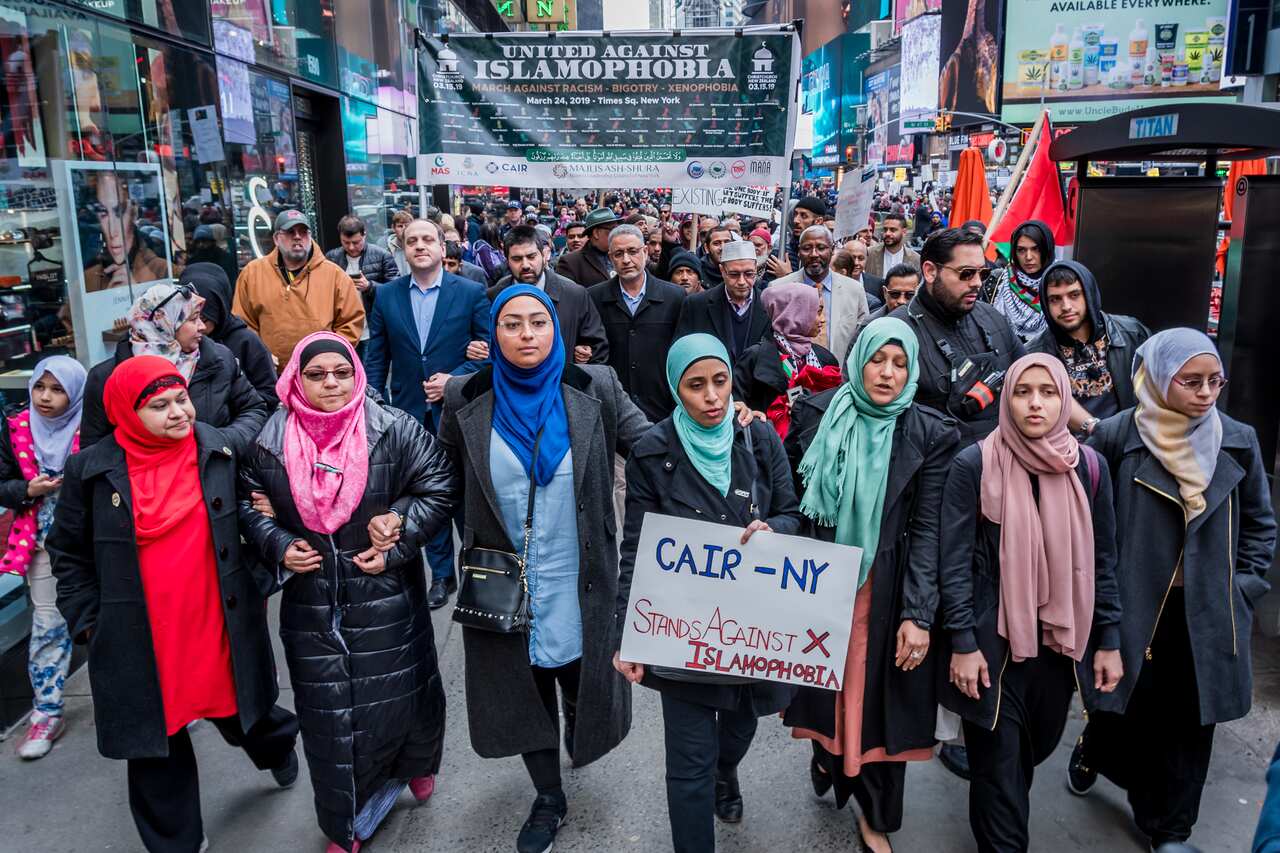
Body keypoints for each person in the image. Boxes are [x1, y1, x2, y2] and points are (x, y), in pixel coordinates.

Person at [49, 356, 300, 853]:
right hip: (139, 636)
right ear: (125, 411)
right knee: (154, 742)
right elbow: (68, 550)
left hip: (215, 619)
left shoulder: (219, 449)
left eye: (181, 399)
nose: (178, 413)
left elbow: (256, 513)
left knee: (245, 711)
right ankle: (176, 843)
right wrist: (88, 624)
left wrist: (258, 573)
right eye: (159, 406)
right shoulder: (90, 470)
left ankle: (275, 745)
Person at [437, 285, 650, 853]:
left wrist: (728, 428)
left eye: (538, 322)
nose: (527, 334)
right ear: (494, 335)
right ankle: (548, 795)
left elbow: (653, 447)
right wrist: (398, 525)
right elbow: (440, 482)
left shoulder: (594, 386)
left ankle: (582, 721)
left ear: (556, 328)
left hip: (581, 571)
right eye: (512, 324)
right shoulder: (464, 396)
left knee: (580, 670)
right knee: (523, 686)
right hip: (506, 579)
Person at [238, 333, 455, 853]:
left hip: (386, 593)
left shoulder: (394, 429)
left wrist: (398, 524)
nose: (331, 383)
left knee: (401, 696)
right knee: (327, 716)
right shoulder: (268, 441)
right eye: (316, 375)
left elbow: (439, 485)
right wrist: (278, 543)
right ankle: (345, 823)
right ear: (297, 379)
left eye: (341, 372)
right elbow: (246, 507)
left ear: (357, 373)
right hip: (311, 602)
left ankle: (414, 766)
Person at [1069, 330, 1276, 850]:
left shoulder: (1237, 439)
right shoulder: (1120, 435)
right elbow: (1087, 521)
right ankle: (1097, 745)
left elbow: (1259, 523)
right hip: (1136, 604)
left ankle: (1171, 828)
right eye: (1191, 382)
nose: (1206, 393)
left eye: (1215, 381)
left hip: (1209, 609)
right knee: (1130, 707)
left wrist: (1243, 587)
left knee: (1191, 719)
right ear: (1160, 379)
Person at [614, 333, 803, 853]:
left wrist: (774, 532)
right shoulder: (652, 451)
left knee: (740, 728)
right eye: (695, 385)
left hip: (751, 627)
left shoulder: (758, 438)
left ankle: (727, 771)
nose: (712, 396)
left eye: (720, 381)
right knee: (687, 763)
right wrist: (626, 633)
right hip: (684, 631)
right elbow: (637, 546)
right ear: (676, 388)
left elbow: (792, 511)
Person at [783, 318, 959, 853]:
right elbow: (789, 498)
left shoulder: (929, 432)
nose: (886, 373)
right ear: (857, 360)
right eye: (877, 360)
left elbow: (929, 528)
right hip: (820, 577)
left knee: (880, 699)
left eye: (900, 362)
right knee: (827, 690)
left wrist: (918, 614)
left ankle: (876, 814)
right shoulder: (816, 412)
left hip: (885, 584)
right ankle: (828, 756)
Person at [938, 353, 1124, 853]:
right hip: (992, 646)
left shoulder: (1088, 467)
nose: (1035, 403)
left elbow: (1103, 560)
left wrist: (1108, 639)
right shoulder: (974, 463)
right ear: (1007, 396)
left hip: (1059, 647)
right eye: (1023, 391)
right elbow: (952, 561)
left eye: (1047, 392)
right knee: (998, 768)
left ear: (1065, 397)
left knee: (1030, 753)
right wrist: (961, 641)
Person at [363, 218, 489, 609]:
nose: (420, 246)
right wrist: (372, 403)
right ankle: (442, 575)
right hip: (409, 413)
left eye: (427, 239)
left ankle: (476, 571)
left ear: (442, 246)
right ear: (402, 248)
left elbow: (490, 350)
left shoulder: (470, 292)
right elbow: (377, 356)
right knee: (422, 493)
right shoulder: (386, 296)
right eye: (412, 240)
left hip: (459, 412)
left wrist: (454, 379)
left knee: (467, 496)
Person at [3, 356, 86, 759]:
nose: (46, 398)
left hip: (94, 542)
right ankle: (47, 711)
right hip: (40, 543)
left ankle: (154, 700)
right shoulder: (15, 426)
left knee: (123, 619)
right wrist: (26, 490)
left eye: (57, 389)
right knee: (48, 624)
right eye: (40, 387)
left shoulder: (94, 424)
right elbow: (2, 482)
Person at [80, 282, 269, 453]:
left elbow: (253, 410)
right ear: (164, 323)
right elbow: (93, 449)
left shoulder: (218, 360)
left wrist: (219, 443)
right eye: (193, 319)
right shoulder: (106, 377)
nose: (202, 326)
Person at [892, 228, 1024, 447]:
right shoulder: (896, 332)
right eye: (966, 273)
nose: (977, 283)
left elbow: (1027, 378)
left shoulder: (991, 316)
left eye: (983, 273)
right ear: (930, 271)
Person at [232, 209, 365, 369]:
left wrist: (327, 359)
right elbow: (242, 323)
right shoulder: (252, 274)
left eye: (303, 232)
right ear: (276, 238)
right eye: (290, 232)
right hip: (269, 375)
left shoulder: (335, 276)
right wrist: (261, 355)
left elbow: (351, 323)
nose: (297, 237)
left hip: (318, 376)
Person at [1027, 260, 1151, 431]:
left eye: (1074, 295)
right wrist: (1096, 430)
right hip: (1072, 451)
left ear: (1089, 294)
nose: (1066, 306)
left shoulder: (1131, 333)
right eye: (1055, 299)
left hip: (1130, 441)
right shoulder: (1036, 354)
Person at [588, 223, 686, 423]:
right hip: (615, 408)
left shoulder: (674, 296)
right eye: (618, 254)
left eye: (632, 252)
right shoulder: (594, 297)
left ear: (645, 251)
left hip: (662, 407)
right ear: (610, 258)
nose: (626, 260)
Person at [482, 224, 609, 365]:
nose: (525, 265)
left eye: (531, 256)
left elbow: (597, 347)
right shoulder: (494, 296)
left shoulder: (575, 294)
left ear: (544, 255)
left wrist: (584, 354)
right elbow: (486, 346)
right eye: (517, 259)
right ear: (507, 261)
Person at [732, 281, 838, 415]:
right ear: (795, 315)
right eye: (817, 312)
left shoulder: (824, 358)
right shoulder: (755, 357)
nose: (822, 319)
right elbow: (737, 406)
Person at [182, 262, 278, 405]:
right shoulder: (177, 341)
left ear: (220, 309)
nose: (199, 326)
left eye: (204, 318)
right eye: (191, 318)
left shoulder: (246, 341)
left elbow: (269, 394)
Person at [773, 225, 870, 364]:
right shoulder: (779, 289)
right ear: (799, 252)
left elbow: (861, 341)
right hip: (793, 378)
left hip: (838, 378)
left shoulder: (854, 290)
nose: (814, 254)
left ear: (831, 251)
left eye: (821, 248)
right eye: (807, 248)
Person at [674, 239, 771, 365]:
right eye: (734, 274)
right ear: (722, 271)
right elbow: (682, 353)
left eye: (749, 274)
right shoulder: (696, 305)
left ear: (755, 269)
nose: (742, 281)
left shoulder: (769, 305)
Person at [82, 170, 170, 293]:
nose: (113, 232)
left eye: (119, 212)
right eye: (103, 212)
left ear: (134, 213)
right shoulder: (87, 280)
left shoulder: (164, 270)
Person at [980, 220, 1055, 343]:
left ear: (1047, 249)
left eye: (1036, 249)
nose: (1029, 257)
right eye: (1021, 250)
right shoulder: (997, 281)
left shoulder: (1059, 281)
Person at [324, 214, 400, 333]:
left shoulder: (382, 256)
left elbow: (396, 291)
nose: (351, 247)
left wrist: (369, 287)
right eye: (346, 242)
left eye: (356, 242)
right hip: (342, 328)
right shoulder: (331, 257)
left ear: (364, 235)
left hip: (372, 326)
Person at [853, 264, 922, 344]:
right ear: (885, 293)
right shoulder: (868, 326)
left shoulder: (927, 324)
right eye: (895, 294)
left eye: (909, 295)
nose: (901, 301)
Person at [557, 208, 619, 287]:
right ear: (596, 233)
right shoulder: (570, 262)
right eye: (612, 230)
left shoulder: (621, 254)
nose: (616, 234)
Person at [833, 239, 885, 311]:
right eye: (852, 258)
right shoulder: (833, 281)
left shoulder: (878, 284)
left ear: (867, 259)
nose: (856, 263)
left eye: (861, 258)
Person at [865, 213, 921, 279]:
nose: (887, 233)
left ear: (904, 232)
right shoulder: (869, 253)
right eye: (885, 230)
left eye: (893, 230)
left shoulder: (915, 259)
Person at [698, 222, 735, 289]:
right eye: (716, 243)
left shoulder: (741, 269)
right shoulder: (698, 271)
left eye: (727, 242)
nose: (723, 247)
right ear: (706, 247)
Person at [384, 209, 414, 275]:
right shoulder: (386, 248)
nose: (404, 229)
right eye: (400, 226)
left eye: (407, 226)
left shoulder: (417, 246)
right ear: (393, 228)